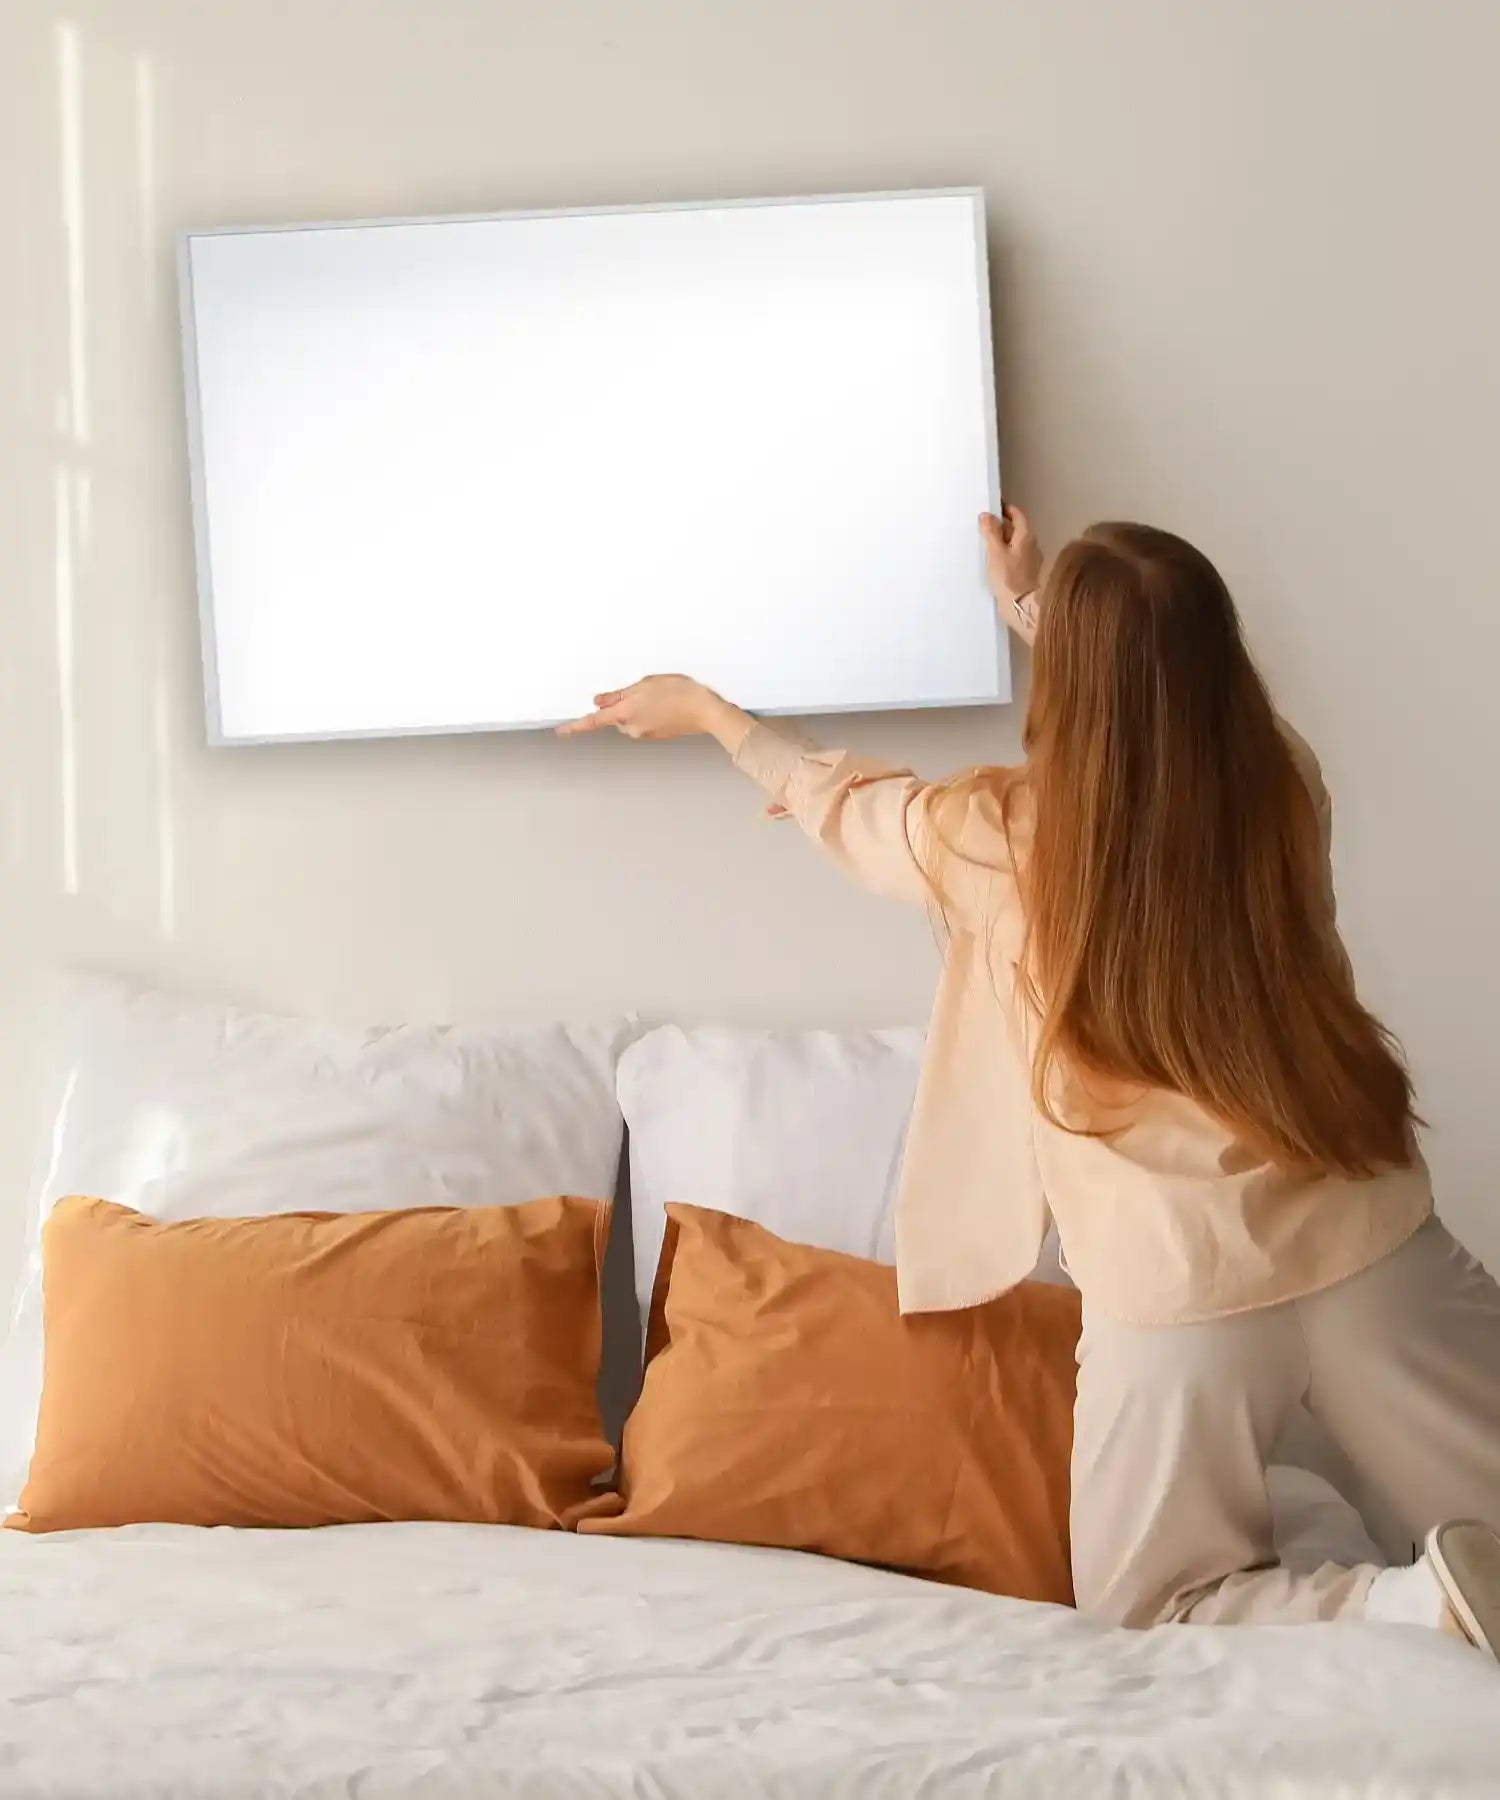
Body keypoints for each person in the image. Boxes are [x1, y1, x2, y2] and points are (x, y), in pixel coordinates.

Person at [559, 507, 1500, 1655]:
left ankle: (1410, 1606)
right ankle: (1452, 1584)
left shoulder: (993, 838)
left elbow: (843, 804)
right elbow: (1152, 698)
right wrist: (1035, 606)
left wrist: (707, 710)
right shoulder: (1284, 786)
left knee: (1153, 1605)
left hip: (1177, 1298)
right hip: (1366, 1243)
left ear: (1082, 679)